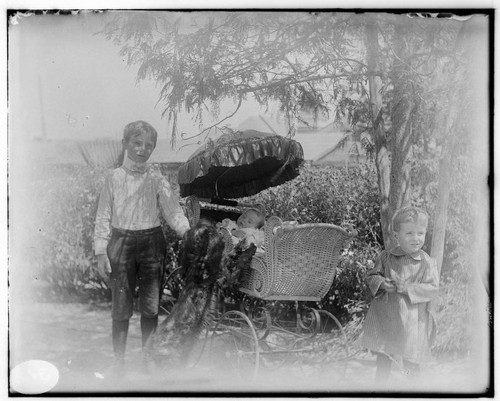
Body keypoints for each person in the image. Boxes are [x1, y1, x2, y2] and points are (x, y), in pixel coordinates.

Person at [94, 120, 190, 376]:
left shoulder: (157, 178)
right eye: (137, 143)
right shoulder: (112, 178)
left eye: (148, 145)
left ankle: (148, 358)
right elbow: (103, 215)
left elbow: (172, 210)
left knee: (150, 305)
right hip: (121, 245)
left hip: (151, 244)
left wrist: (187, 232)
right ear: (125, 143)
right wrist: (101, 251)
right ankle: (118, 362)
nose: (142, 149)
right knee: (121, 305)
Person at [359, 206, 439, 382]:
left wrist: (408, 288)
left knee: (410, 362)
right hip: (387, 318)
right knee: (385, 357)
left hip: (411, 321)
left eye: (420, 233)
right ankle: (380, 388)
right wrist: (381, 283)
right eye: (409, 233)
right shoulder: (386, 257)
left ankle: (412, 389)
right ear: (396, 236)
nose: (416, 238)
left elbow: (432, 289)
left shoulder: (427, 262)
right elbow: (372, 276)